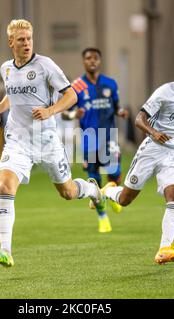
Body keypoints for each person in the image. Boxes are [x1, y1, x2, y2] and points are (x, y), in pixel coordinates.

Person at [0, 19, 106, 267]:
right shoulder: (6, 68)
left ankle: (93, 190)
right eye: (21, 40)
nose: (27, 43)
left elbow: (72, 95)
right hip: (17, 140)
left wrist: (51, 111)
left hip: (47, 141)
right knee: (5, 187)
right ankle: (5, 250)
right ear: (11, 43)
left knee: (68, 192)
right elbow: (12, 92)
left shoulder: (45, 65)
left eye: (29, 39)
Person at [102, 60, 174, 265]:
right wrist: (154, 132)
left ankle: (165, 249)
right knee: (125, 199)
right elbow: (139, 119)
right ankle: (107, 191)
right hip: (151, 150)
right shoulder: (164, 92)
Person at [64, 48, 128, 233]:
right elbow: (65, 115)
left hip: (109, 137)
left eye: (95, 58)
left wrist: (121, 112)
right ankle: (103, 218)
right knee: (94, 181)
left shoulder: (110, 83)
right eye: (88, 58)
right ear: (83, 62)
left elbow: (116, 106)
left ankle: (110, 194)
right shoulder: (76, 86)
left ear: (100, 61)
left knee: (115, 173)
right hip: (88, 139)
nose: (92, 61)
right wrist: (74, 113)